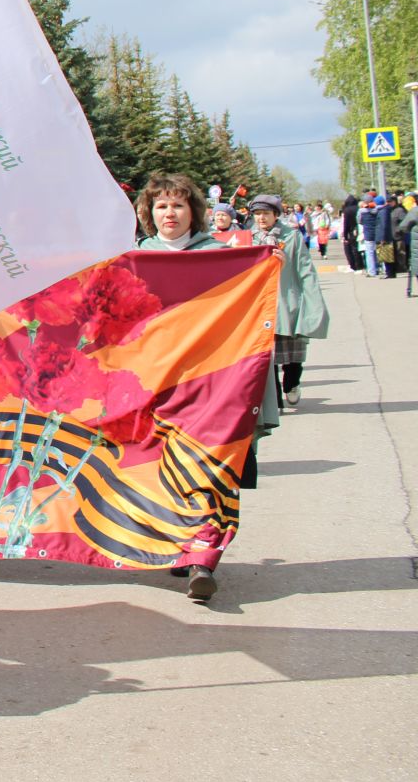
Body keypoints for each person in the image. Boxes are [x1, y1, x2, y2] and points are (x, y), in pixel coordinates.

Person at [133, 172, 228, 602]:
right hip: (156, 382)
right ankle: (176, 543)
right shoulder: (137, 257)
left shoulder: (218, 256)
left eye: (177, 205)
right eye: (161, 206)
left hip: (209, 380)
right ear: (149, 215)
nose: (169, 213)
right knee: (163, 468)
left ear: (194, 211)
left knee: (206, 466)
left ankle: (201, 558)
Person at [248, 194, 328, 419]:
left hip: (286, 299)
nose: (261, 218)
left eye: (265, 213)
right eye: (257, 214)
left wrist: (311, 298)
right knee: (267, 355)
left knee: (292, 353)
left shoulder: (290, 236)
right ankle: (275, 401)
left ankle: (292, 384)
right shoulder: (249, 237)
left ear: (275, 215)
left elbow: (304, 268)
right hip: (260, 302)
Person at [360, 193, 386, 278]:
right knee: (380, 251)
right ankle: (383, 268)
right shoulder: (378, 210)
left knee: (370, 253)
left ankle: (372, 271)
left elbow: (359, 221)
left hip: (368, 233)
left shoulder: (362, 211)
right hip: (378, 232)